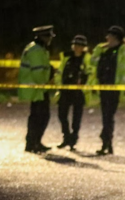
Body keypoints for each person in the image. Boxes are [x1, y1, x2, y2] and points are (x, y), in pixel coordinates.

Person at [89, 26, 125, 155]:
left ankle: (106, 140)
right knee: (106, 114)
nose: (106, 38)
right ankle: (107, 142)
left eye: (109, 36)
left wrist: (122, 85)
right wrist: (98, 50)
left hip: (114, 88)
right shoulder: (103, 50)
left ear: (115, 37)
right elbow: (92, 63)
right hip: (103, 87)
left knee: (108, 115)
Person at [18, 25, 55, 153]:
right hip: (37, 87)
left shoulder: (37, 48)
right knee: (41, 116)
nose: (50, 39)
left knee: (36, 116)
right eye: (49, 37)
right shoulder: (37, 50)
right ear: (43, 37)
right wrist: (46, 81)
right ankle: (34, 142)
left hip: (37, 88)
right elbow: (38, 71)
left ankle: (33, 142)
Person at [54, 35, 91, 151]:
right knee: (62, 114)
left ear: (84, 47)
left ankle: (73, 138)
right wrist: (59, 85)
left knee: (77, 117)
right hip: (65, 90)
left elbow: (90, 73)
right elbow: (60, 72)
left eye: (80, 45)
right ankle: (66, 136)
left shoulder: (87, 58)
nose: (77, 48)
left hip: (79, 92)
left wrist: (83, 83)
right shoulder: (66, 56)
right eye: (75, 45)